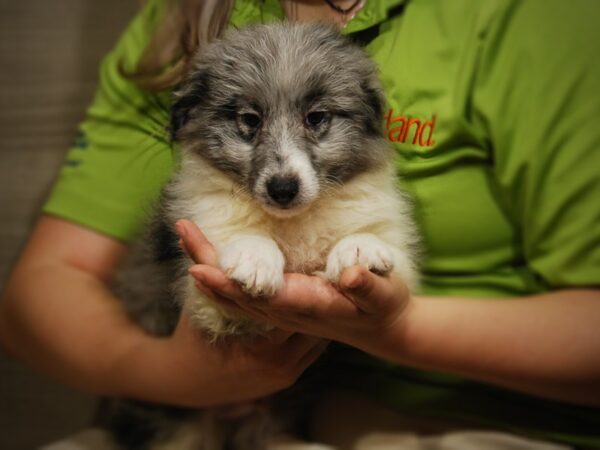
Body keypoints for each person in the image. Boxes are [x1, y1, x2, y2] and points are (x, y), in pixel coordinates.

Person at [1, 0, 599, 448]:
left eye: (317, 120)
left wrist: (394, 325)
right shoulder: (185, 16)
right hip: (187, 408)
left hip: (463, 417)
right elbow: (40, 291)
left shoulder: (536, 19)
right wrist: (180, 376)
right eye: (248, 123)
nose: (281, 171)